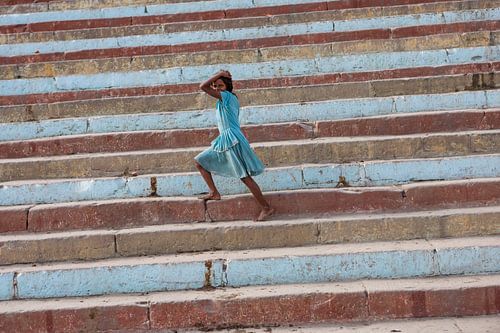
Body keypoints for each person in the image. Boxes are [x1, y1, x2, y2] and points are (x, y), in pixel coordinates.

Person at [194, 70, 274, 221]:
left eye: (220, 85)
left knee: (245, 177)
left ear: (227, 86)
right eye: (215, 86)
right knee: (199, 162)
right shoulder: (224, 100)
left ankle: (266, 208)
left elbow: (202, 86)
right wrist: (219, 77)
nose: (217, 89)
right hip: (228, 139)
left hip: (232, 140)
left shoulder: (227, 96)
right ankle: (214, 193)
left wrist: (219, 73)